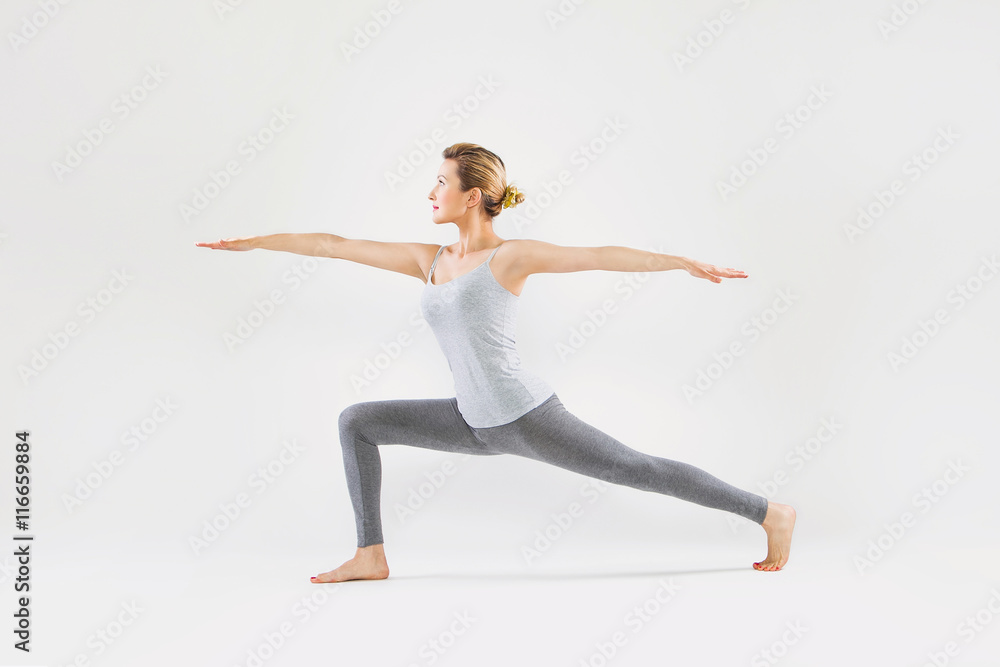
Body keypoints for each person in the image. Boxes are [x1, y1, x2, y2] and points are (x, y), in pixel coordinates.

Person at [196, 142, 796, 582]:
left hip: (523, 414)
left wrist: (683, 263)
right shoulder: (429, 259)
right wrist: (253, 243)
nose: (430, 192)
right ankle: (370, 555)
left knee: (633, 468)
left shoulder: (510, 257)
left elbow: (597, 255)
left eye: (440, 182)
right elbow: (334, 245)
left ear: (473, 196)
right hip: (471, 420)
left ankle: (770, 513)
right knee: (357, 421)